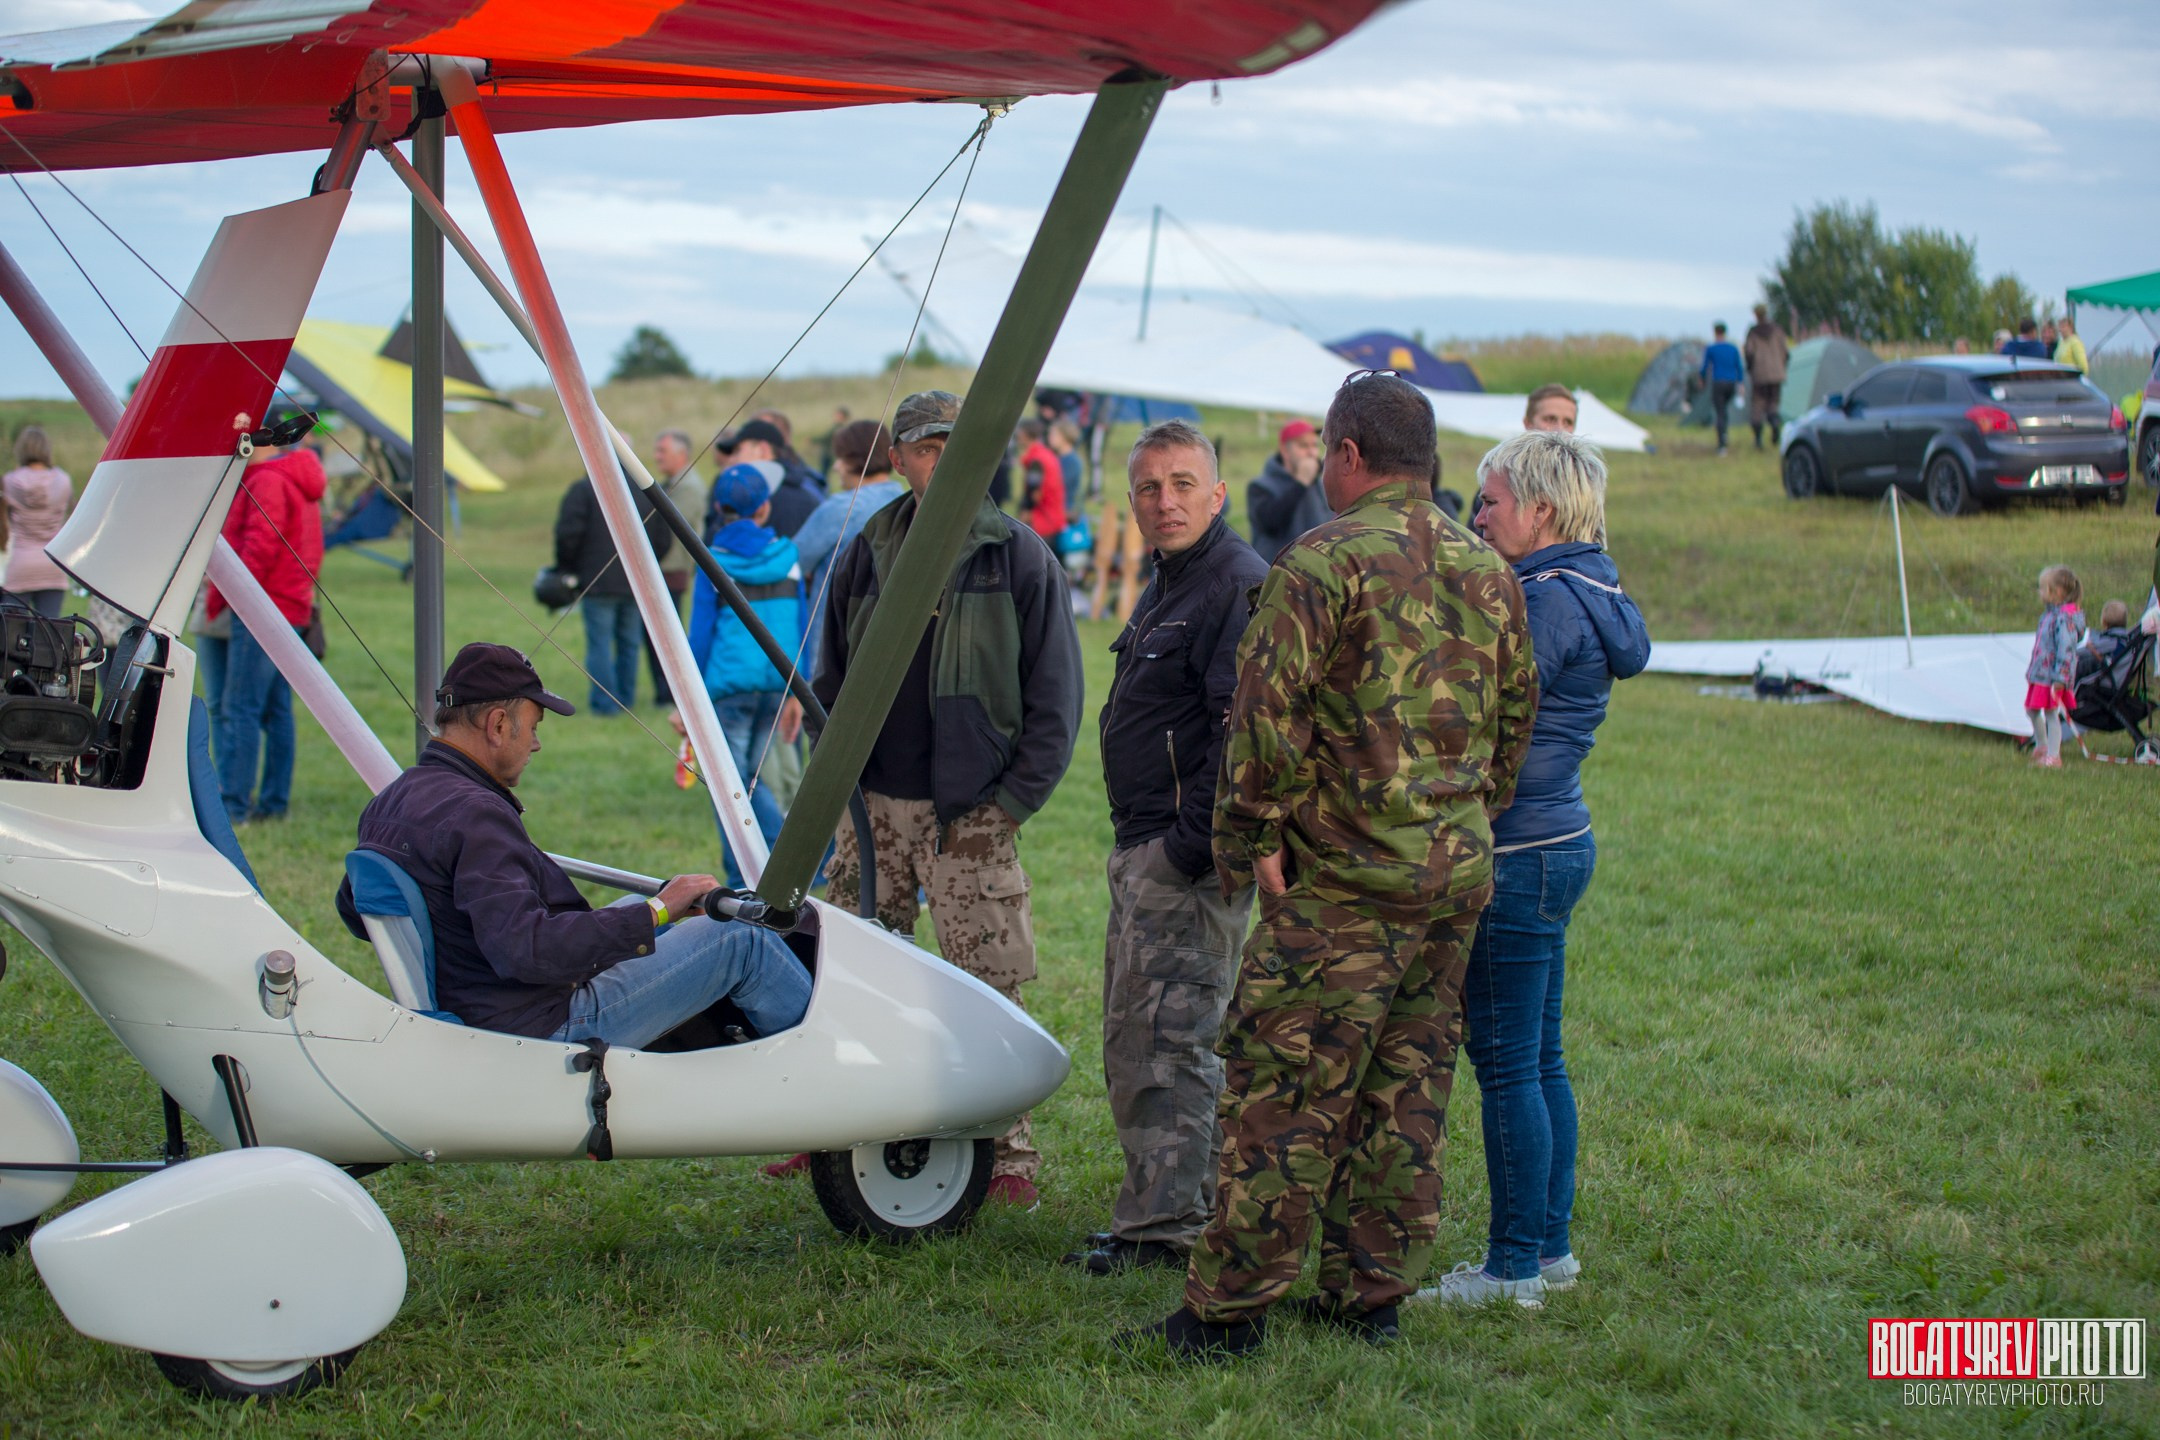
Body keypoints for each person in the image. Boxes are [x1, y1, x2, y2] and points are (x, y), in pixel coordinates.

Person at [1132, 371, 1536, 1359]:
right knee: (1407, 1093)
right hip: (1451, 878)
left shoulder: (1320, 562)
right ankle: (1371, 1297)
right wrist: (1467, 816)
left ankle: (1226, 1313)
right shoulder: (1490, 568)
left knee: (1282, 1094)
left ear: (1347, 456)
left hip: (1342, 888)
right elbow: (1516, 719)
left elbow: (1264, 722)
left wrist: (1248, 840)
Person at [793, 389, 1083, 1206]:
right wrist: (839, 781)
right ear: (900, 460)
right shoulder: (867, 550)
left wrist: (1006, 808)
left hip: (970, 811)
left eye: (962, 445)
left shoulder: (1018, 555)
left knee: (987, 975)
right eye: (928, 447)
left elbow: (1056, 701)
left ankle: (1009, 1155)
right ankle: (833, 1131)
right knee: (846, 969)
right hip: (873, 804)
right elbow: (832, 676)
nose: (946, 460)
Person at [1412, 428, 1648, 1312]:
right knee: (1541, 1058)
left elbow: (1480, 717)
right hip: (1560, 840)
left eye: (1492, 501)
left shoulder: (1542, 600)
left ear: (1541, 512)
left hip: (1514, 849)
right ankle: (1548, 1249)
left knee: (1509, 1063)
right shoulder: (1594, 585)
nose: (1477, 515)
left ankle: (1512, 1267)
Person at [335, 643, 810, 1046]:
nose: (536, 744)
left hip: (480, 1003)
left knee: (631, 907)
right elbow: (527, 951)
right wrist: (659, 911)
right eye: (534, 726)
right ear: (498, 725)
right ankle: (837, 1070)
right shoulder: (475, 814)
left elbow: (356, 910)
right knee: (740, 936)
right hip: (535, 1027)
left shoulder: (392, 799)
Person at [1067, 420, 1269, 1277]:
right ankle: (1165, 1208)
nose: (1165, 501)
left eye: (1184, 484)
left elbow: (1244, 736)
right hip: (1147, 848)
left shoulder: (1234, 584)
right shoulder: (1172, 579)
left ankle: (1171, 1230)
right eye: (1149, 487)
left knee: (1170, 1041)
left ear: (1218, 494)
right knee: (1138, 1037)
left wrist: (1186, 851)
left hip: (1182, 862)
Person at [684, 462, 805, 887]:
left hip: (729, 687)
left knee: (728, 786)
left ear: (719, 507)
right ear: (765, 508)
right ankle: (777, 862)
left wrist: (686, 697)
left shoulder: (713, 561)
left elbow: (699, 634)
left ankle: (751, 872)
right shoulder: (789, 556)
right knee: (749, 778)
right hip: (778, 682)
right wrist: (797, 691)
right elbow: (800, 623)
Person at [206, 438, 325, 825]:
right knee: (275, 711)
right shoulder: (293, 476)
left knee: (240, 707)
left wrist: (228, 593)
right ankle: (273, 804)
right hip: (290, 604)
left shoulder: (265, 480)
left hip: (261, 607)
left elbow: (260, 546)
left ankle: (234, 806)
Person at [792, 420, 904, 683]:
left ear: (856, 459)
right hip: (893, 639)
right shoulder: (905, 502)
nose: (836, 466)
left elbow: (794, 561)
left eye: (841, 458)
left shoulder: (842, 507)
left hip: (833, 637)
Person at [554, 472, 673, 715]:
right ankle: (624, 699)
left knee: (600, 643)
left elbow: (568, 534)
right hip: (636, 581)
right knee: (629, 642)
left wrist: (569, 568)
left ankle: (606, 703)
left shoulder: (585, 488)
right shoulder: (645, 489)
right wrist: (646, 564)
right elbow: (664, 538)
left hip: (597, 581)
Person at [642, 428, 708, 709]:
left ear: (682, 455)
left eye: (663, 452)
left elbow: (667, 528)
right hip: (666, 569)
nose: (657, 457)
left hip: (671, 570)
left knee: (666, 635)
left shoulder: (688, 487)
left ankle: (670, 693)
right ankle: (664, 690)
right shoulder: (675, 483)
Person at [1, 426, 73, 617]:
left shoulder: (10, 481)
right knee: (49, 635)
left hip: (21, 564)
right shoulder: (63, 480)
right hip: (52, 564)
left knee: (11, 636)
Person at [1246, 419, 1330, 563]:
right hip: (1276, 573)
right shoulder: (1260, 486)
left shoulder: (1321, 484)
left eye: (1314, 445)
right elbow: (1270, 524)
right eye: (1304, 446)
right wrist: (1300, 483)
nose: (1311, 452)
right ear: (1285, 450)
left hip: (1314, 571)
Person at [2025, 565, 2084, 769]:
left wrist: (2061, 678)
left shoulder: (2065, 619)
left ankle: (2053, 756)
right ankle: (2041, 746)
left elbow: (2066, 651)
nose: (2040, 593)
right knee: (2032, 710)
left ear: (2057, 592)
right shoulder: (2049, 615)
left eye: (2043, 588)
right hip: (2040, 674)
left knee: (2051, 713)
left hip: (2053, 677)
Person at [725, 418, 824, 538]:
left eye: (737, 450)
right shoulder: (800, 491)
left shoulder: (783, 499)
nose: (731, 459)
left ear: (762, 449)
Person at [1742, 303, 1789, 451]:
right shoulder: (1778, 330)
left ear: (1755, 314)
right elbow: (1786, 352)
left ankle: (1758, 439)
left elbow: (1749, 353)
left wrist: (1750, 369)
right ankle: (1775, 424)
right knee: (1773, 403)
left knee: (1758, 405)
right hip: (1776, 374)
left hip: (1759, 375)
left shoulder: (1753, 333)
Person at [1015, 417, 1067, 541]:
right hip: (1053, 518)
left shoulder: (1036, 460)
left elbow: (1034, 493)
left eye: (1019, 433)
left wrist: (1025, 513)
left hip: (1042, 521)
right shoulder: (1045, 454)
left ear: (1026, 435)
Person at [1699, 322, 1743, 456]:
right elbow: (1739, 367)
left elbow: (1704, 367)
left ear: (1715, 332)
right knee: (1724, 410)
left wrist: (1702, 380)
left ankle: (1722, 444)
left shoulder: (1712, 348)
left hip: (1718, 383)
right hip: (1731, 383)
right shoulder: (1733, 348)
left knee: (1720, 412)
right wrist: (1740, 383)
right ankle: (1724, 434)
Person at [1050, 418, 1085, 507]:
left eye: (1054, 434)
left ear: (1065, 437)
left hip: (1066, 511)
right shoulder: (1055, 457)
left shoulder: (1073, 461)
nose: (1050, 437)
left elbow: (1057, 485)